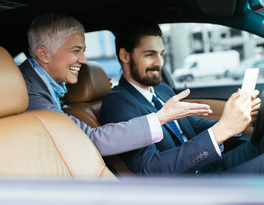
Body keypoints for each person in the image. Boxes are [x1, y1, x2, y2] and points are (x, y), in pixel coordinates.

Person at [99, 19, 264, 176]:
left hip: (211, 164)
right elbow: (150, 168)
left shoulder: (162, 90)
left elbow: (193, 125)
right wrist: (221, 130)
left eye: (161, 54)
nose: (159, 62)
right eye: (149, 54)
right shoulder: (118, 104)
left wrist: (235, 121)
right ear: (125, 56)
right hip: (193, 186)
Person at [19, 12, 213, 156]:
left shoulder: (45, 88)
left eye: (83, 51)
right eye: (76, 50)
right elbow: (92, 140)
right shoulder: (28, 95)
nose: (84, 60)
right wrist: (159, 118)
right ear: (43, 53)